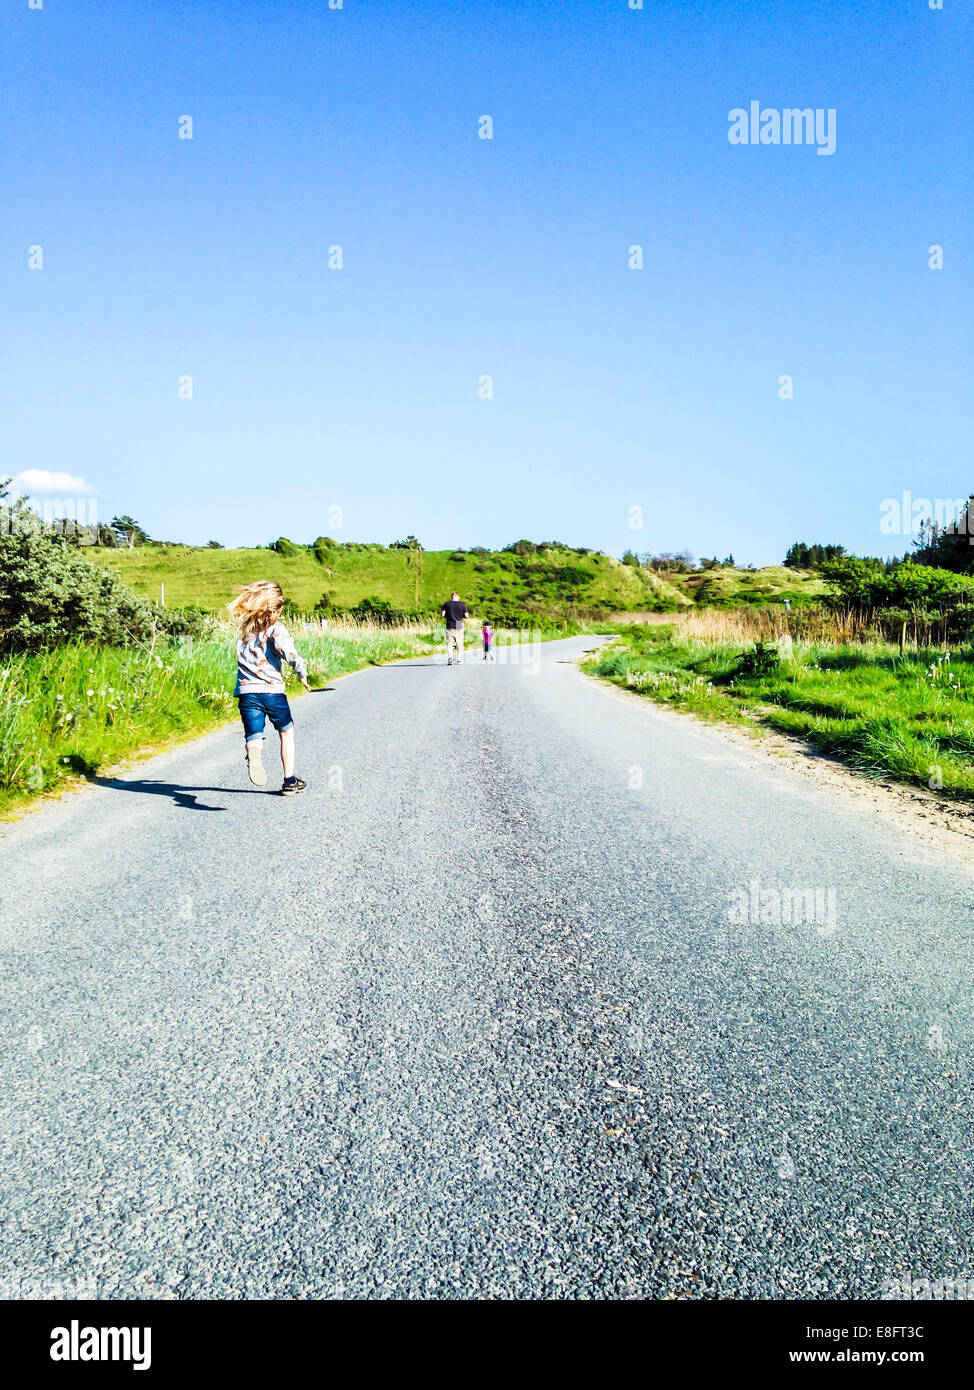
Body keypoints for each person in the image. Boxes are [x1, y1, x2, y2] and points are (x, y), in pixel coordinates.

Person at [228, 581, 310, 795]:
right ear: (277, 609)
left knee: (254, 736)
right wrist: (301, 672)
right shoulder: (276, 629)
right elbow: (290, 654)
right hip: (272, 692)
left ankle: (253, 753)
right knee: (286, 732)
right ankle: (289, 781)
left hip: (247, 693)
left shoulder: (245, 631)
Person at [442, 590, 468, 665]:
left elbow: (443, 614)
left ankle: (450, 658)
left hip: (450, 624)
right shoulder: (463, 604)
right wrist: (461, 616)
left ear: (451, 597)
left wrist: (448, 616)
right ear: (458, 597)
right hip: (459, 623)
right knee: (459, 643)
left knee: (449, 643)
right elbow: (466, 615)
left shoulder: (447, 603)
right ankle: (459, 659)